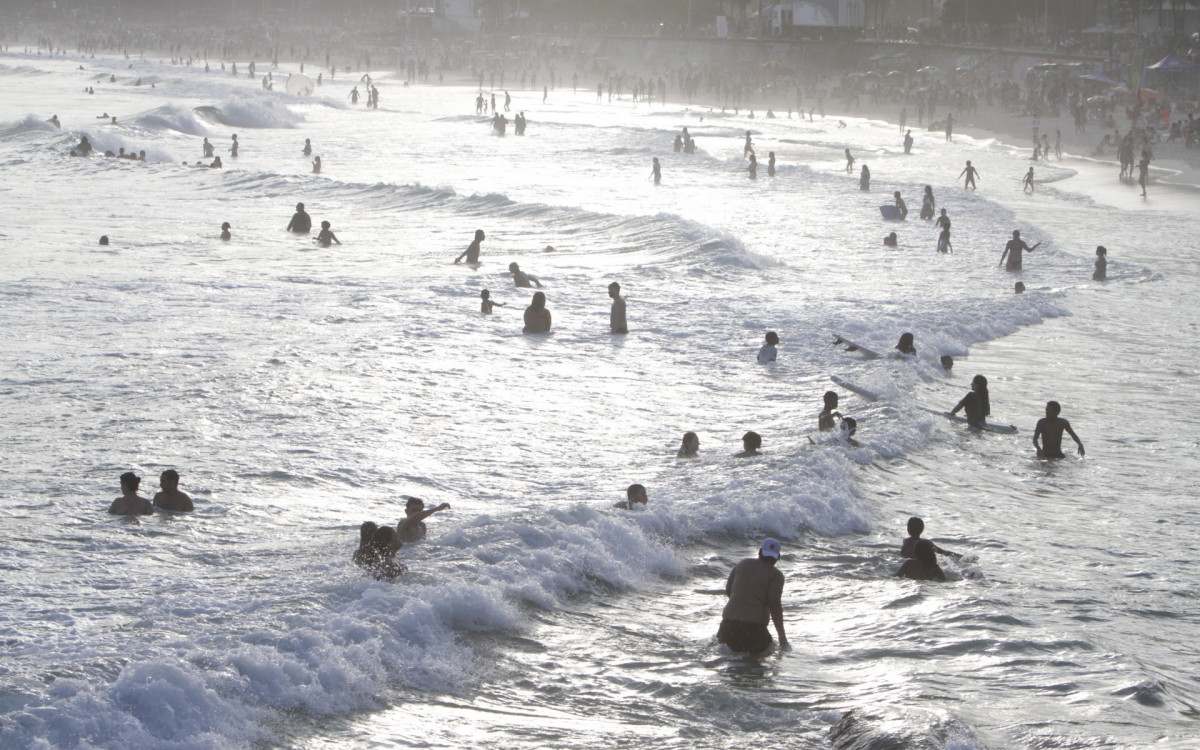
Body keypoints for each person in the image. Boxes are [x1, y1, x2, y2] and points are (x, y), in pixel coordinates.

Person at [717, 538, 789, 653]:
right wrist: (782, 637)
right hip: (754, 629)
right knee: (755, 662)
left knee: (729, 660)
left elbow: (729, 590)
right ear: (778, 557)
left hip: (728, 626)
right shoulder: (776, 575)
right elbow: (774, 606)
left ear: (760, 552)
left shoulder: (742, 564)